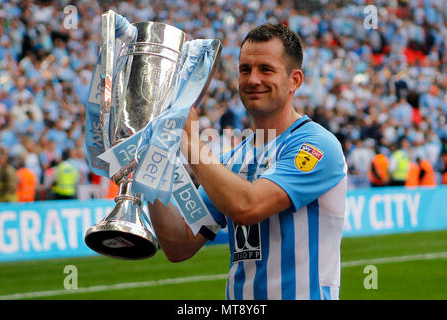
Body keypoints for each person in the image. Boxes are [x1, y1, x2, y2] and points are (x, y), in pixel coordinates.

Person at [148, 24, 347, 300]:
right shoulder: (232, 160)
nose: (253, 79)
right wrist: (151, 165)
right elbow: (179, 245)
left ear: (295, 81)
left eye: (266, 69)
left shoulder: (315, 146)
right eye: (245, 69)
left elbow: (248, 206)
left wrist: (191, 143)